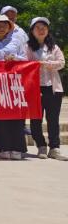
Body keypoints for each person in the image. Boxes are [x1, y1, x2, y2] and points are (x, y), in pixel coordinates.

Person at [0, 14, 27, 160]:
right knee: (0, 117)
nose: (1, 28)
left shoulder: (16, 41)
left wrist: (15, 58)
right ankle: (3, 147)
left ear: (9, 27)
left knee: (17, 117)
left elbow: (25, 58)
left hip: (15, 83)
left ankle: (17, 148)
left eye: (4, 25)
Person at [26, 17, 67, 161]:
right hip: (35, 88)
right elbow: (25, 63)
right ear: (32, 31)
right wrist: (35, 64)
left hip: (53, 88)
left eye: (44, 27)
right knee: (35, 119)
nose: (41, 30)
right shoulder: (28, 47)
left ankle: (54, 148)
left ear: (48, 30)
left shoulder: (54, 47)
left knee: (53, 119)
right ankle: (41, 146)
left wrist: (46, 64)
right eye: (37, 27)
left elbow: (61, 62)